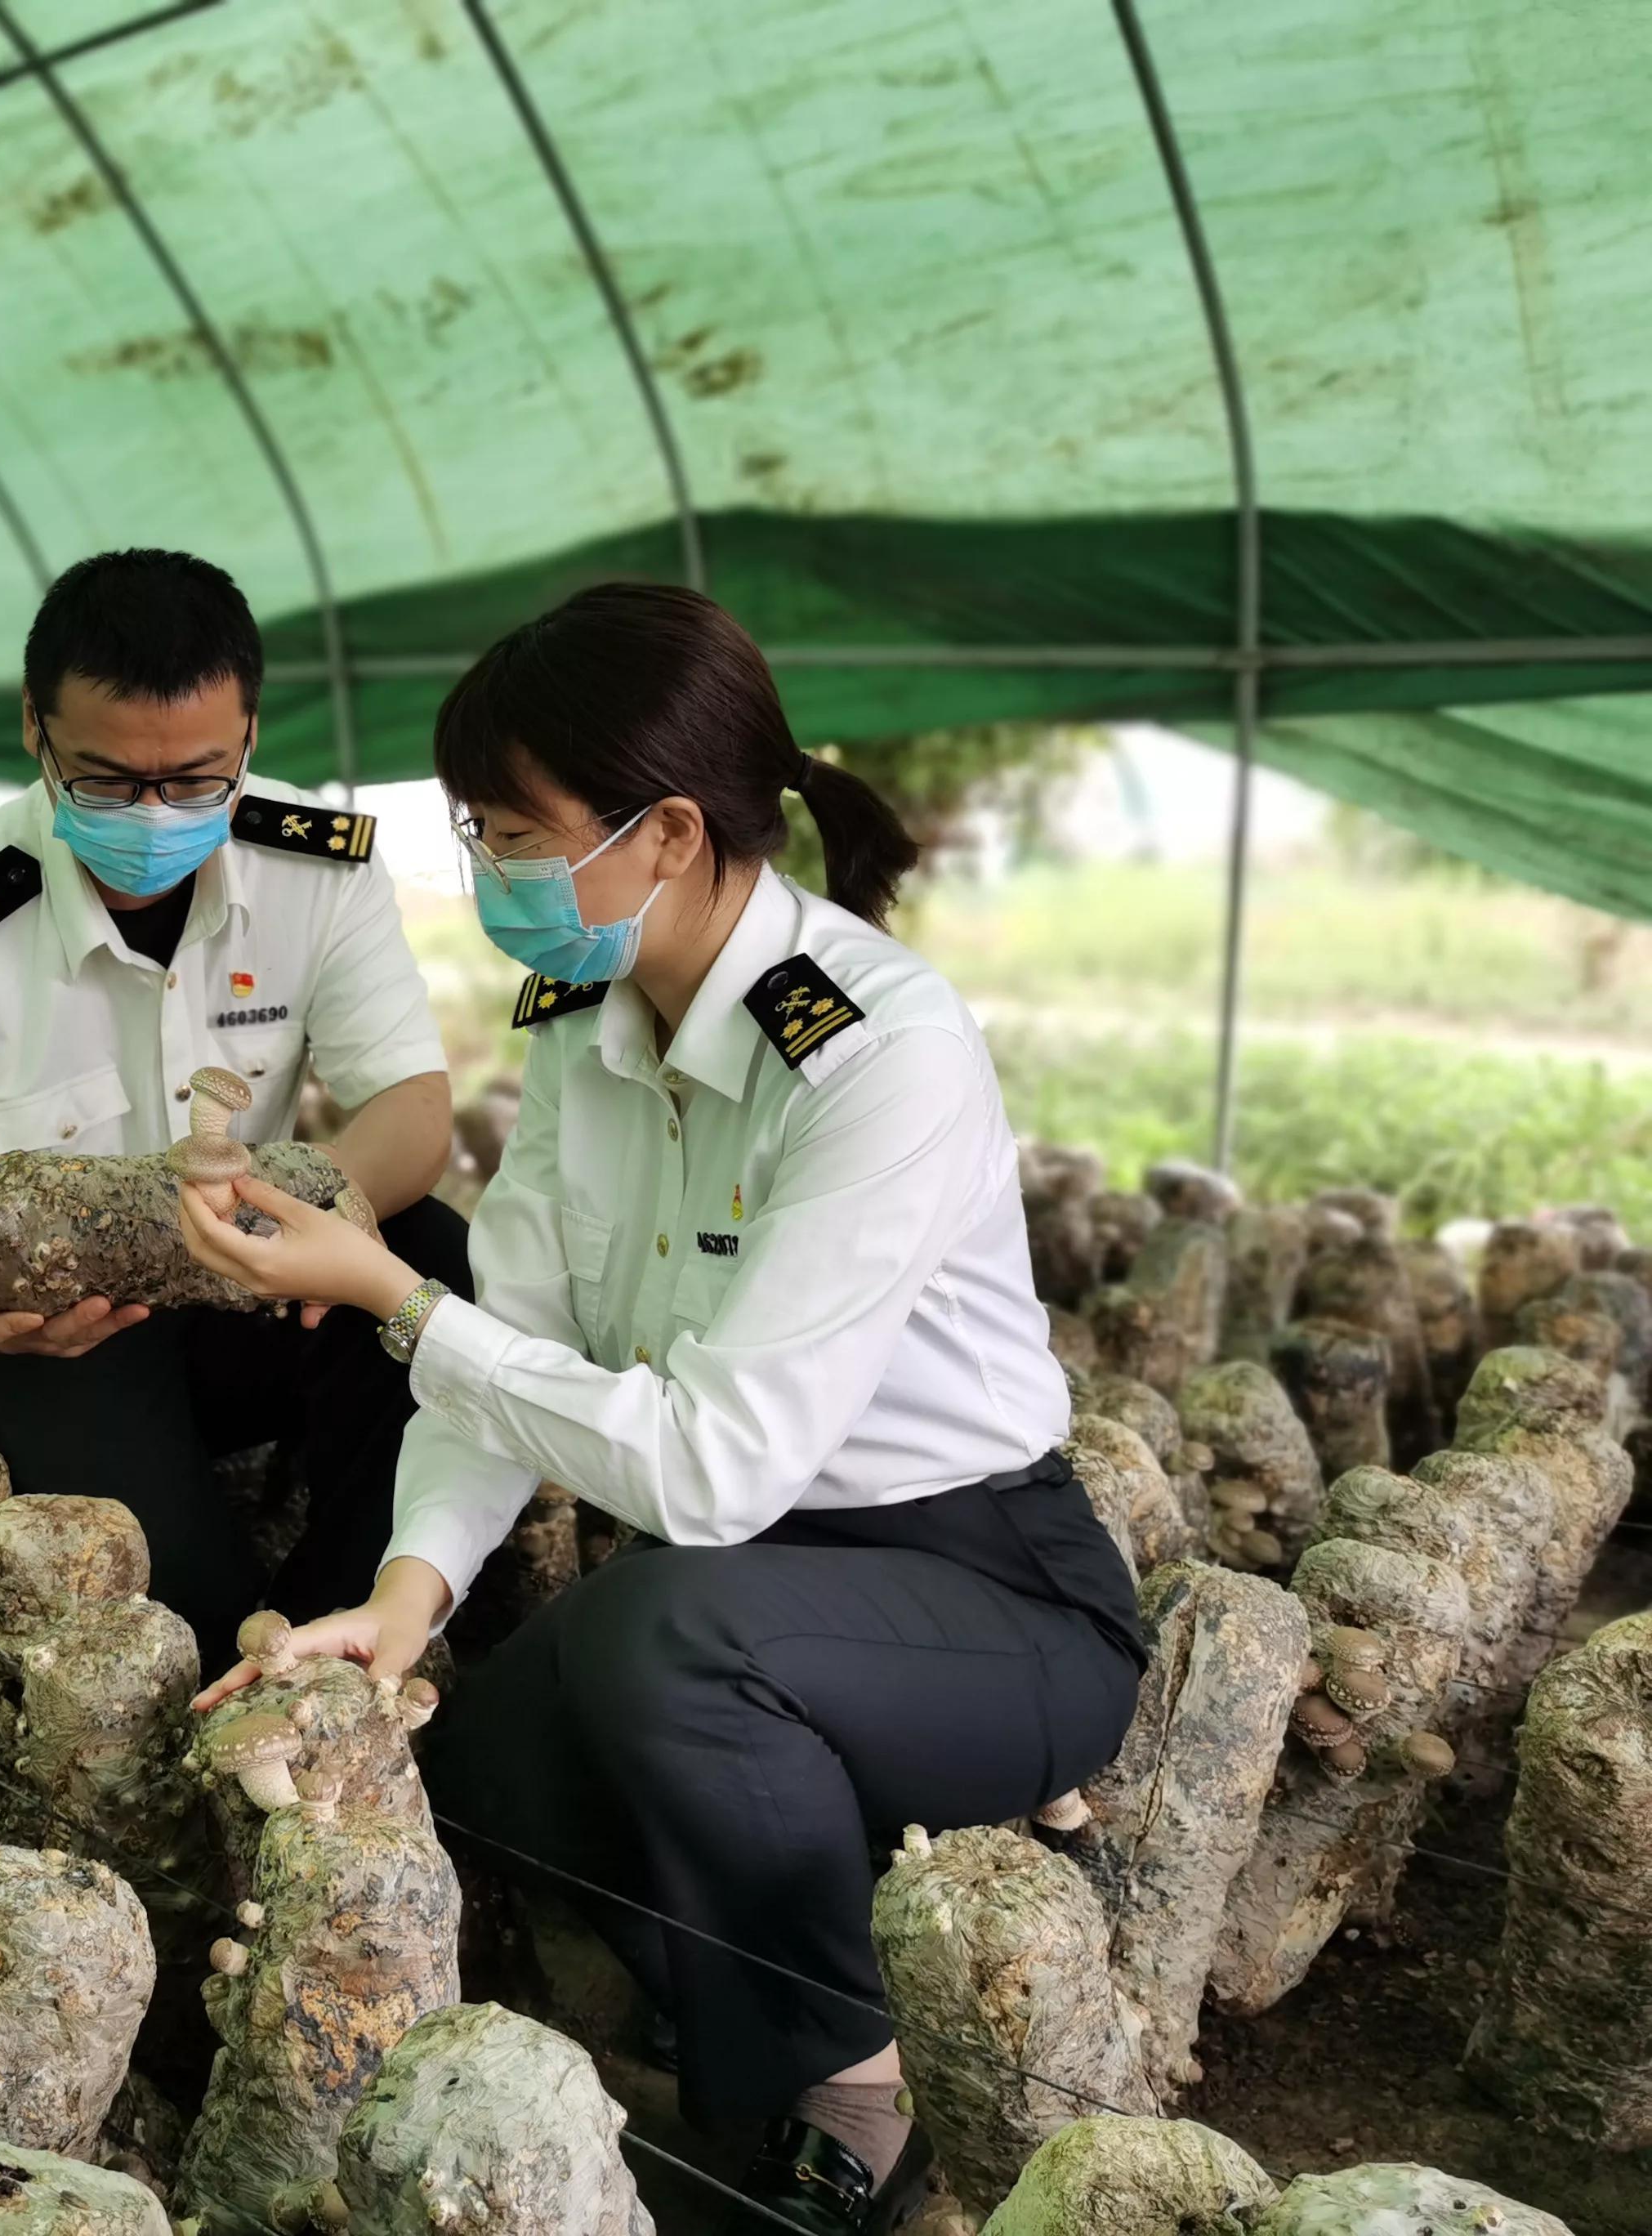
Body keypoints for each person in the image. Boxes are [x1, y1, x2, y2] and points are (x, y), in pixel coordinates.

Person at [178, 583, 1145, 2234]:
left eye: (513, 832)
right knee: (488, 1763)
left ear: (670, 832)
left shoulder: (874, 1054)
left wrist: (389, 1295)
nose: (487, 874)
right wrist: (403, 1607)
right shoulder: (588, 1025)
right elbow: (526, 1335)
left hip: (989, 1597)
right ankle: (763, 1967)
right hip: (765, 1590)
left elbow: (711, 1468)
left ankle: (860, 2101)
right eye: (472, 829)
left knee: (661, 1639)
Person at [0, 548, 470, 1654]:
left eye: (194, 780)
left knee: (435, 1255)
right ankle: (233, 1642)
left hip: (258, 1281)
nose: (152, 816)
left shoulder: (317, 869)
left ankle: (348, 1624)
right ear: (35, 729)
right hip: (47, 1327)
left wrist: (310, 1219)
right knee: (182, 1608)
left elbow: (413, 1109)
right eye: (105, 779)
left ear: (249, 740)